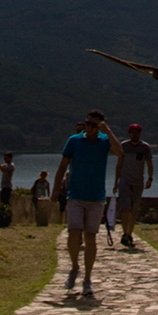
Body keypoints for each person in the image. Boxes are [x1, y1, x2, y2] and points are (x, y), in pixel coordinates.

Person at [53, 110, 121, 297]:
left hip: (96, 198)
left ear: (100, 126)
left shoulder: (104, 142)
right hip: (75, 195)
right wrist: (55, 189)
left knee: (90, 237)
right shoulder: (74, 141)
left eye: (94, 125)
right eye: (88, 123)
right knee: (73, 233)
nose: (90, 127)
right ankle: (75, 266)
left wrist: (107, 131)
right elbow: (63, 165)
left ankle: (87, 279)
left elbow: (119, 152)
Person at [113, 122, 154, 249]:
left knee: (134, 210)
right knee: (125, 208)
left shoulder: (145, 148)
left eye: (137, 132)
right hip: (125, 181)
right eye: (132, 132)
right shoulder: (123, 146)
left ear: (140, 134)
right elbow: (119, 164)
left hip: (138, 182)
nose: (134, 135)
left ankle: (130, 233)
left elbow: (149, 164)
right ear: (129, 134)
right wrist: (116, 182)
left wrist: (150, 179)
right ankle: (125, 233)